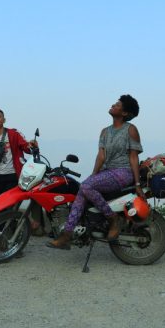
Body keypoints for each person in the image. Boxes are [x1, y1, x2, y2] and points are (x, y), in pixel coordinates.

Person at [46, 94, 144, 249]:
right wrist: (93, 175)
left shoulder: (131, 130)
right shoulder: (105, 131)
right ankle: (68, 234)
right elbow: (101, 156)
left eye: (117, 104)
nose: (113, 105)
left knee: (85, 187)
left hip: (123, 173)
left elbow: (133, 157)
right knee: (83, 189)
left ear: (124, 113)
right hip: (107, 172)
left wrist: (137, 183)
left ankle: (113, 219)